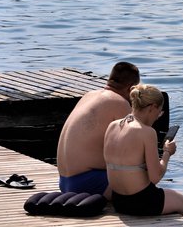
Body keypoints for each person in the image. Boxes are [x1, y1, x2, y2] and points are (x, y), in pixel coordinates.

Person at [103, 83, 183, 221]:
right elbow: (155, 177)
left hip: (118, 200)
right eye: (160, 112)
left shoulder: (113, 126)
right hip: (141, 202)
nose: (158, 116)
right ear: (152, 107)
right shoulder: (147, 132)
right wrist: (167, 153)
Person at [57, 61, 141, 196]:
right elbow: (135, 146)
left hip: (65, 182)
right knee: (142, 182)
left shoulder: (89, 95)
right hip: (90, 182)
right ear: (131, 89)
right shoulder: (120, 103)